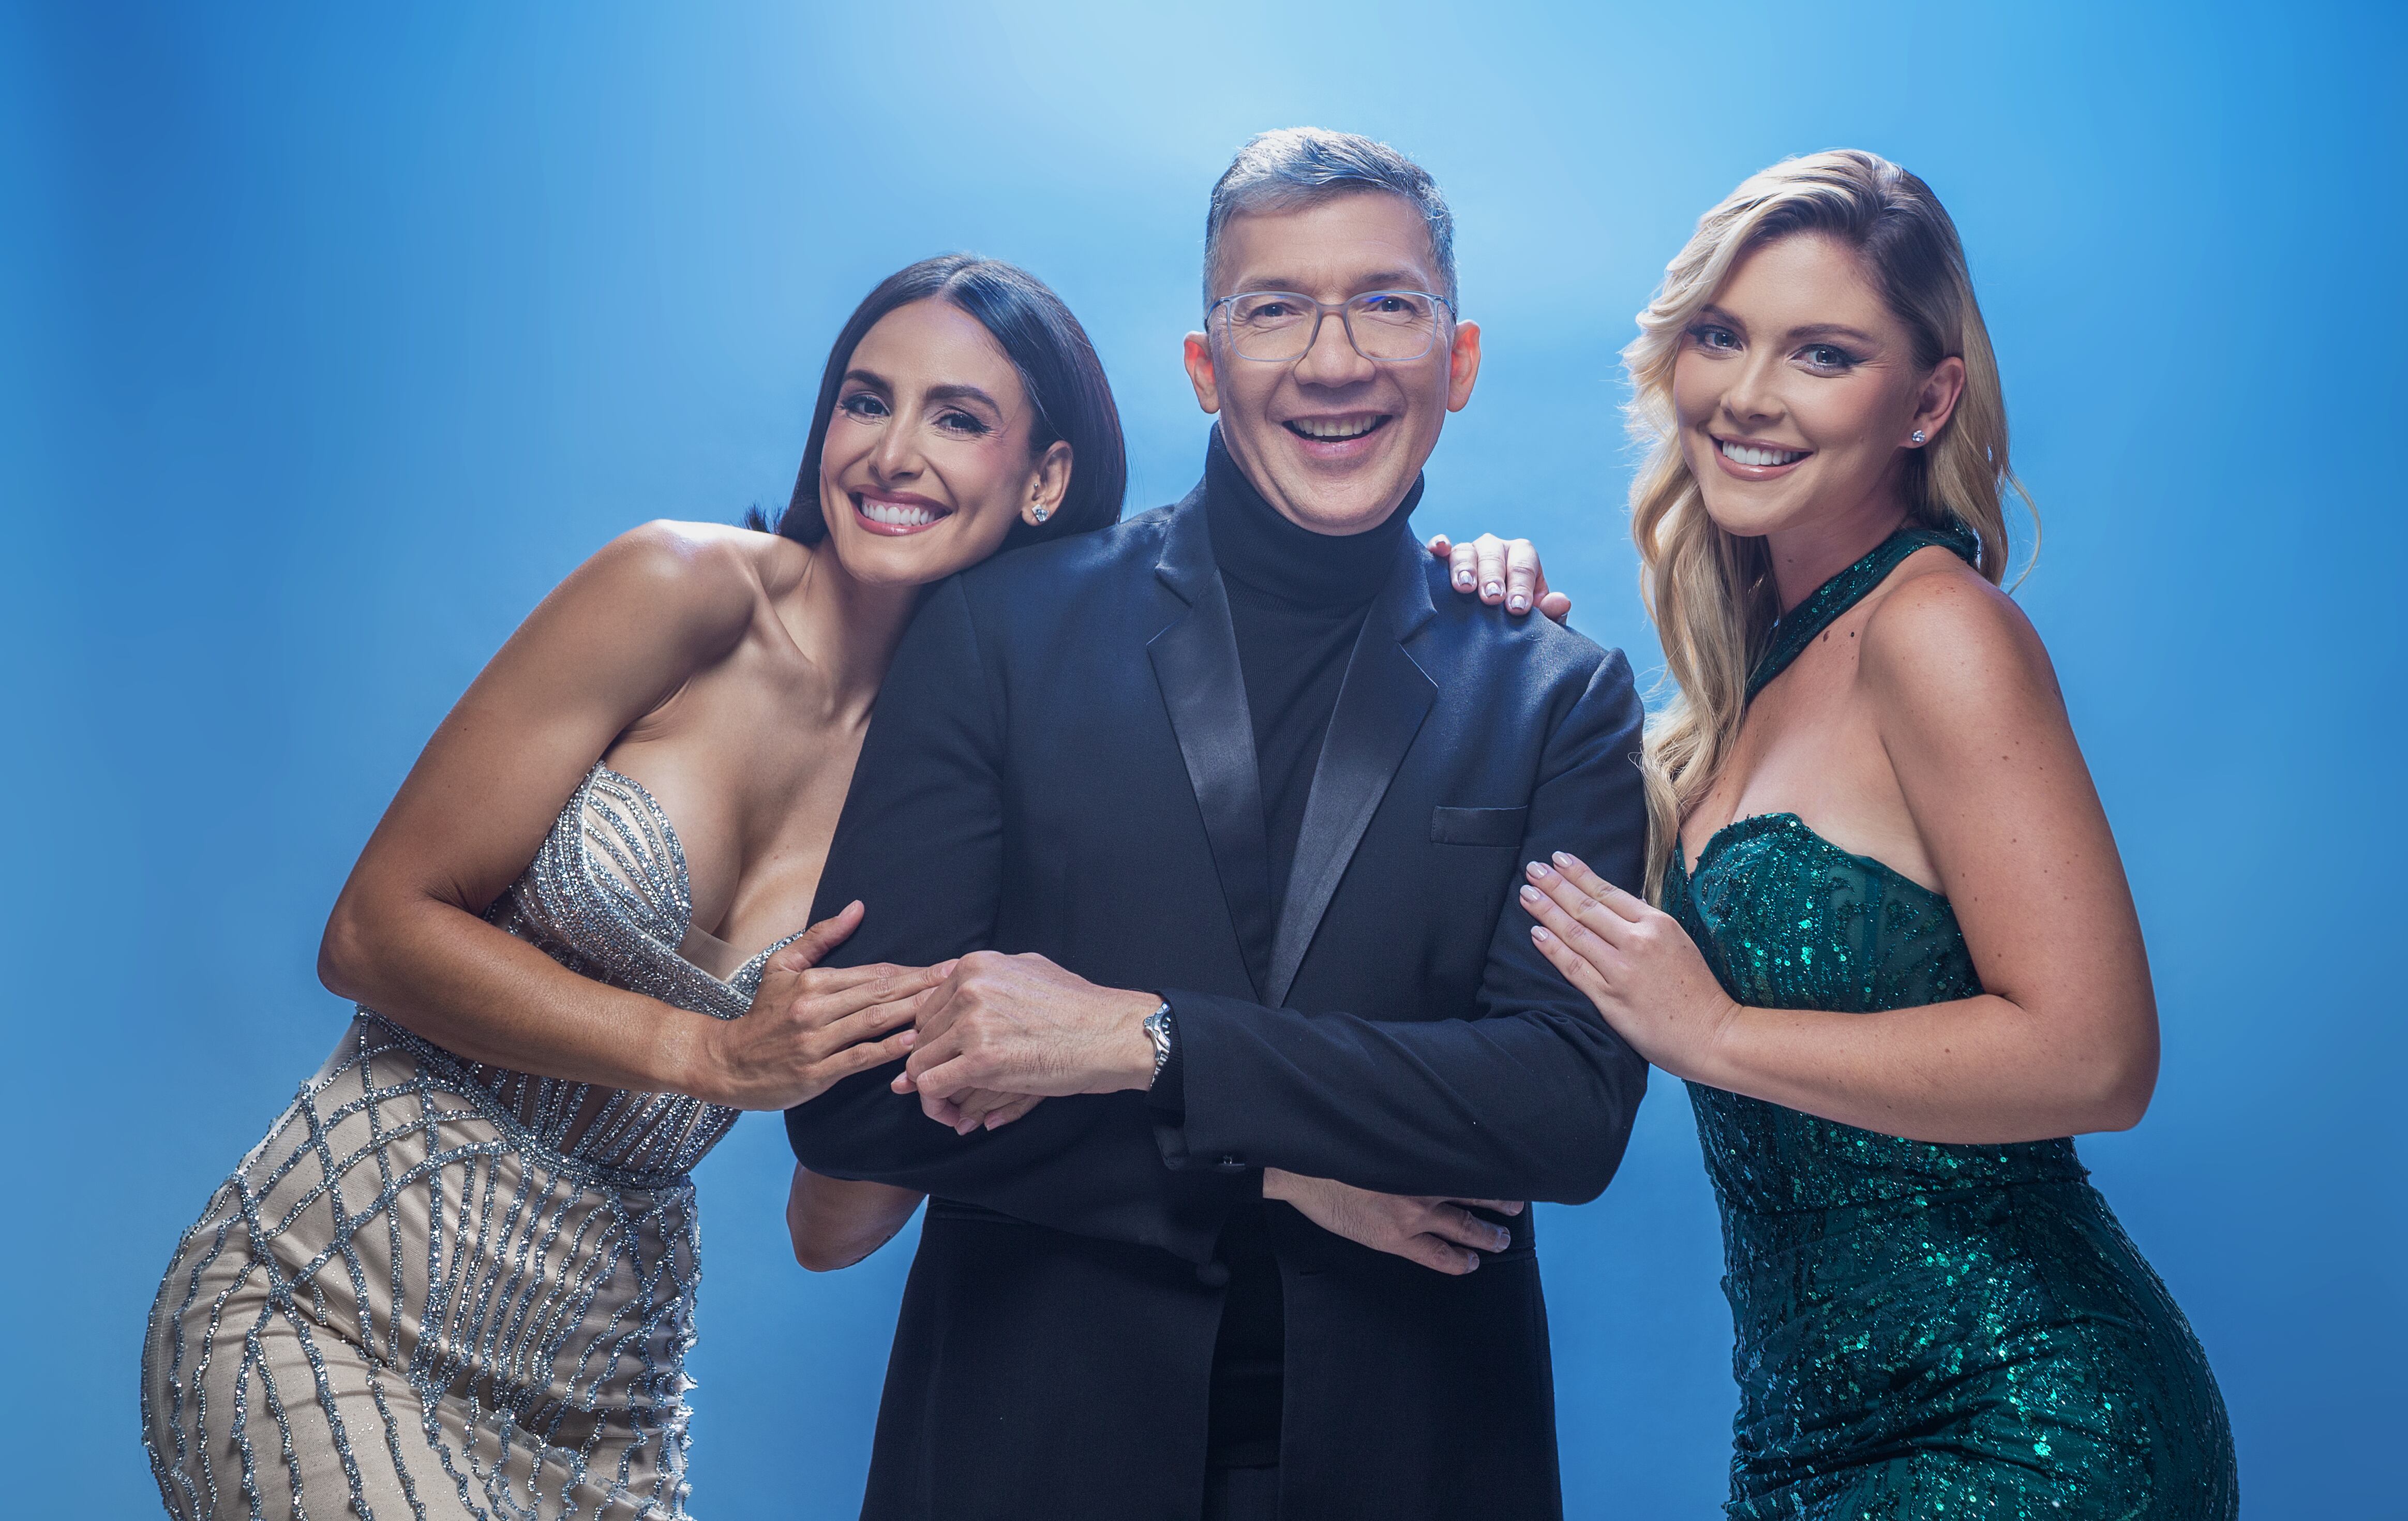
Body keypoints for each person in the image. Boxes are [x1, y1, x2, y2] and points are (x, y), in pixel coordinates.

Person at [138, 248, 1560, 1521]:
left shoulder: (1020, 779)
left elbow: (842, 1213)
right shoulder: (682, 589)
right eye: (866, 401)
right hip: (330, 1293)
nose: (894, 451)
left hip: (600, 1379)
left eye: (960, 417)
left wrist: (1427, 599)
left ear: (1046, 478)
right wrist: (712, 1051)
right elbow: (374, 930)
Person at [782, 128, 1651, 1521]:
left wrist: (1146, 1044)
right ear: (1205, 363)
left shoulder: (1560, 693)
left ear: (1458, 360)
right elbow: (848, 1099)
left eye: (1386, 304)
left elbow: (1566, 1110)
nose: (1334, 358)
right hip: (1028, 1451)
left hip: (1419, 1459)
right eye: (1275, 310)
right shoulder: (1001, 633)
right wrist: (1276, 1164)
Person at [1516, 151, 2239, 1518]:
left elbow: (2099, 1055)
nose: (1748, 395)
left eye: (1823, 354)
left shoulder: (1937, 632)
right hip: (1799, 1440)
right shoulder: (1758, 671)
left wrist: (1720, 1037)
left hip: (2023, 1422)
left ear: (1930, 399)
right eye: (1722, 337)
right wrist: (1510, 660)